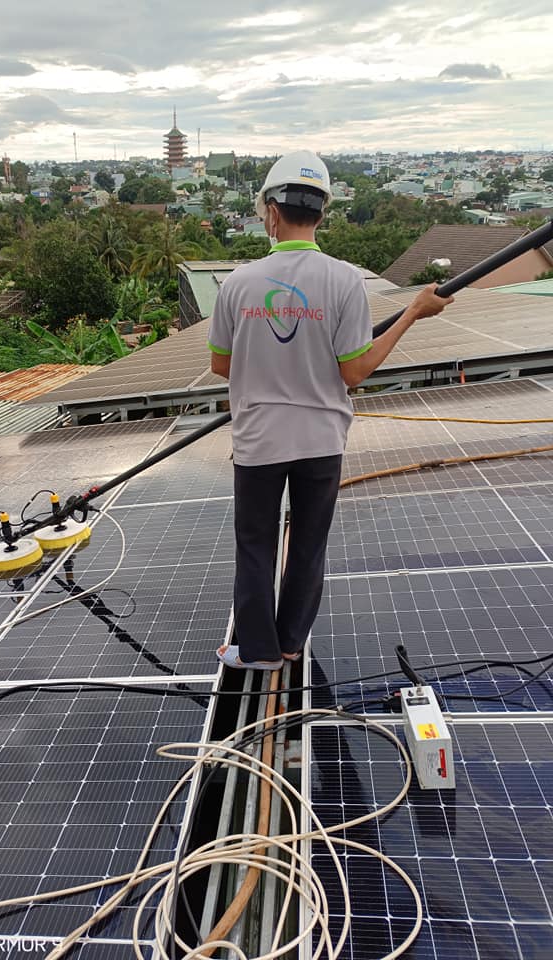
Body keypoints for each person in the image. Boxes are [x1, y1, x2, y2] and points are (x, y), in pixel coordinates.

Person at [208, 150, 453, 670]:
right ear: (321, 213)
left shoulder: (238, 283)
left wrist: (267, 362)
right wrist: (412, 312)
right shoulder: (345, 280)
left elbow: (220, 365)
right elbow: (354, 371)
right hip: (321, 439)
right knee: (308, 544)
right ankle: (290, 642)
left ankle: (257, 651)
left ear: (272, 212)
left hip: (258, 438)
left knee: (255, 544)